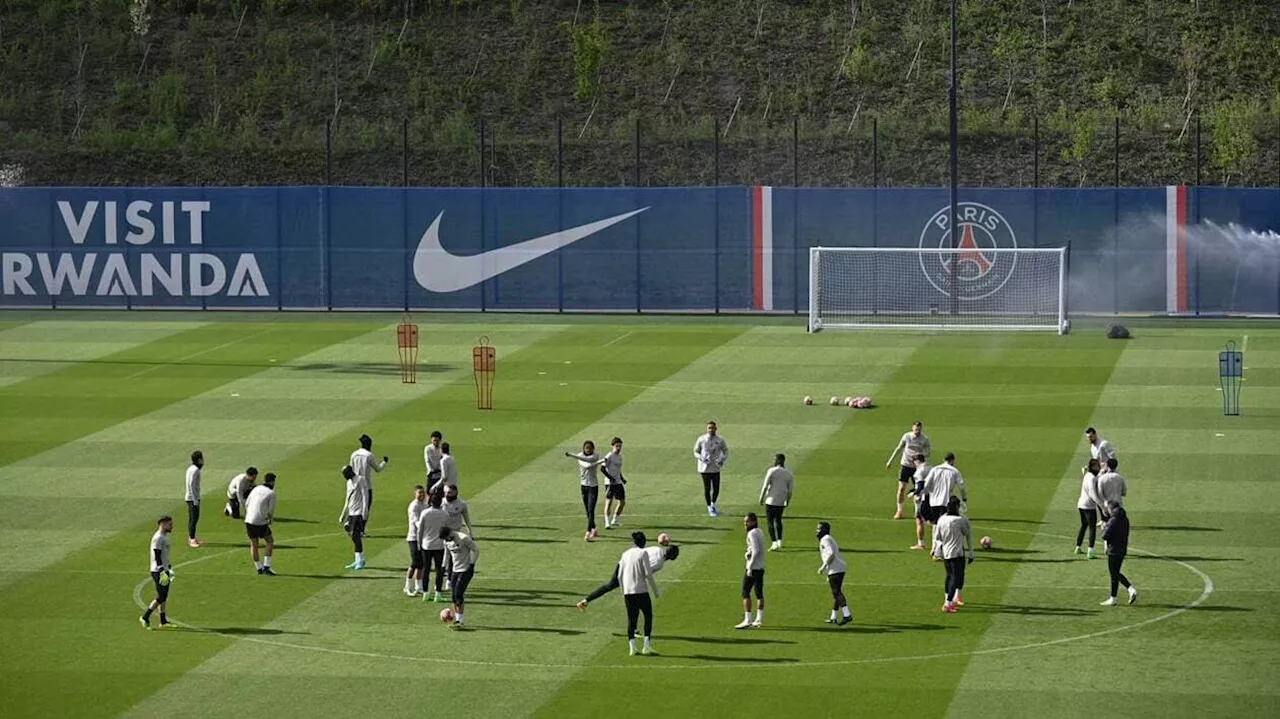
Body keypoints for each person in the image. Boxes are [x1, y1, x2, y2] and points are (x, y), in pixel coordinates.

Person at [576, 541, 679, 610]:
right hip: (631, 571)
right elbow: (645, 572)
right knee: (634, 599)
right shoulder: (659, 563)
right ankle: (633, 629)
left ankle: (585, 601)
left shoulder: (656, 548)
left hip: (624, 562)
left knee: (610, 585)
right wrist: (654, 591)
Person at [617, 531, 660, 656]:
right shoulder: (643, 553)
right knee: (648, 616)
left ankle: (632, 648)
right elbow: (648, 574)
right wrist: (655, 590)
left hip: (628, 592)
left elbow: (620, 576)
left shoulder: (625, 554)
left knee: (632, 620)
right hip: (641, 590)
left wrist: (623, 591)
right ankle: (646, 646)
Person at [932, 496, 974, 613]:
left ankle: (948, 599)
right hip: (957, 553)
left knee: (949, 575)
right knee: (956, 577)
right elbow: (968, 535)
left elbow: (937, 537)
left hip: (946, 553)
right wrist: (971, 552)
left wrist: (937, 551)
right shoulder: (960, 520)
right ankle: (948, 603)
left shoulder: (941, 519)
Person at [920, 452, 967, 552]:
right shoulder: (954, 471)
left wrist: (923, 496)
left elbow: (926, 484)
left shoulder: (935, 469)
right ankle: (940, 549)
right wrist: (964, 498)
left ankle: (934, 549)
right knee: (945, 525)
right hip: (946, 502)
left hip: (934, 502)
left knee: (936, 525)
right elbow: (962, 486)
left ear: (943, 459)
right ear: (952, 460)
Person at [886, 421, 931, 519]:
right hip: (905, 465)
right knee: (901, 488)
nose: (917, 432)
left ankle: (917, 512)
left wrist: (921, 457)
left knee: (917, 490)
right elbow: (899, 448)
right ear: (912, 428)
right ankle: (899, 511)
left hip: (917, 467)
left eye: (918, 430)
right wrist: (890, 461)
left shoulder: (925, 439)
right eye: (915, 430)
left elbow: (928, 452)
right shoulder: (906, 436)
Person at [565, 441, 607, 541]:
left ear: (593, 449)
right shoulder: (580, 456)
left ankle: (588, 532)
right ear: (583, 448)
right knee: (587, 510)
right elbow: (586, 465)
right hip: (584, 486)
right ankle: (594, 528)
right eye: (586, 448)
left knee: (591, 509)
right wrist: (601, 461)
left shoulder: (595, 455)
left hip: (593, 486)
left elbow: (590, 462)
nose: (588, 450)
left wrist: (572, 455)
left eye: (590, 448)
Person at [439, 525, 479, 628]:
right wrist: (443, 566)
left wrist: (472, 564)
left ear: (450, 533)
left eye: (447, 537)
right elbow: (447, 554)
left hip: (465, 570)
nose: (447, 540)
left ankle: (460, 620)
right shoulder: (446, 541)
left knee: (458, 594)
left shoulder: (463, 538)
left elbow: (475, 550)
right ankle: (457, 619)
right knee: (453, 596)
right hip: (455, 570)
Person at [140, 515, 175, 629]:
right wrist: (162, 570)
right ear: (162, 524)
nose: (171, 526)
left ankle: (163, 620)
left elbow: (165, 555)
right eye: (169, 524)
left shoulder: (164, 536)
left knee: (164, 596)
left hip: (164, 569)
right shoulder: (158, 538)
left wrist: (168, 567)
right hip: (158, 571)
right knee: (161, 596)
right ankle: (145, 617)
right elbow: (157, 555)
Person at [344, 434, 388, 527]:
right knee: (365, 507)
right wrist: (384, 462)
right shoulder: (369, 455)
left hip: (354, 484)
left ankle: (350, 521)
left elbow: (350, 468)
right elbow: (378, 469)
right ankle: (361, 529)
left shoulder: (354, 454)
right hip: (366, 485)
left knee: (354, 504)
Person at [1100, 500, 1138, 606]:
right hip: (1122, 548)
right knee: (1116, 572)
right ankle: (1130, 590)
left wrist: (1103, 528)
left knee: (1114, 574)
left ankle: (1114, 597)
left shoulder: (1114, 520)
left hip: (1114, 550)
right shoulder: (1124, 518)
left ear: (1111, 509)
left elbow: (1105, 536)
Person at [815, 521, 851, 625]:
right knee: (836, 592)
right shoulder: (828, 539)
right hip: (837, 568)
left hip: (836, 568)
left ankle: (847, 614)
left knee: (836, 592)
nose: (816, 531)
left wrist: (823, 567)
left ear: (825, 530)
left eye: (819, 529)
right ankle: (833, 617)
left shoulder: (825, 539)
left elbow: (831, 554)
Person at [440, 484, 474, 589]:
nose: (447, 495)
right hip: (442, 533)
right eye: (445, 492)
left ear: (455, 492)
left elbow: (466, 517)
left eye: (449, 493)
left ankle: (449, 579)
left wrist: (470, 530)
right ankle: (440, 579)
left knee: (452, 557)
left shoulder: (461, 504)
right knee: (442, 557)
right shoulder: (442, 502)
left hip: (455, 534)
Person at [417, 491, 449, 602]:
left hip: (426, 545)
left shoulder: (425, 513)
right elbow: (447, 530)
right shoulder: (444, 514)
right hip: (439, 545)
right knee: (439, 570)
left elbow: (420, 530)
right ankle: (438, 593)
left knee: (426, 569)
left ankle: (425, 593)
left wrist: (419, 542)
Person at [693, 421, 729, 517]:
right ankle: (709, 506)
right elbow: (696, 451)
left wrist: (722, 459)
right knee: (707, 488)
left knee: (716, 488)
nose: (711, 430)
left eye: (712, 428)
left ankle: (713, 503)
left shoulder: (720, 440)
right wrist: (701, 458)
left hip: (715, 467)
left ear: (716, 429)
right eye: (709, 428)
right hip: (704, 468)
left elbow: (726, 451)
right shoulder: (702, 439)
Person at [736, 513, 765, 629]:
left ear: (753, 522)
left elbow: (756, 550)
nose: (745, 524)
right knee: (759, 593)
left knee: (745, 592)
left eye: (747, 522)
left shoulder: (751, 533)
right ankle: (758, 619)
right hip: (761, 566)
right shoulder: (759, 531)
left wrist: (750, 566)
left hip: (753, 568)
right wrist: (748, 552)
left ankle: (747, 619)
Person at [758, 453, 793, 550]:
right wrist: (787, 501)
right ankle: (780, 541)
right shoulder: (788, 473)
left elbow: (765, 486)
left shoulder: (772, 471)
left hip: (770, 500)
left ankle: (774, 542)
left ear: (777, 460)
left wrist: (761, 498)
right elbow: (790, 490)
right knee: (778, 520)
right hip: (781, 501)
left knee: (770, 522)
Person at [245, 472, 277, 575]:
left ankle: (258, 567)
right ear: (272, 482)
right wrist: (269, 520)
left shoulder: (256, 488)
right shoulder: (271, 493)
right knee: (270, 541)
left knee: (254, 544)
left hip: (249, 520)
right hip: (260, 521)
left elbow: (247, 503)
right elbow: (270, 511)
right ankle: (267, 566)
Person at [342, 464, 369, 570]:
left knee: (355, 535)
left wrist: (364, 511)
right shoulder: (349, 483)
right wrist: (343, 513)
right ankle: (358, 559)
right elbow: (347, 498)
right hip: (351, 512)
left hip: (358, 512)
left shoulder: (360, 480)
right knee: (349, 531)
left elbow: (365, 495)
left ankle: (360, 560)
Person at [1076, 458, 1103, 558]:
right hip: (1088, 506)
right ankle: (1090, 551)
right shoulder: (1091, 478)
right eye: (1097, 466)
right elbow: (1093, 494)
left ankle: (1078, 546)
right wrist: (1101, 505)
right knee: (1092, 528)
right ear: (1093, 467)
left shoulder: (1088, 475)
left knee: (1083, 526)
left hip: (1081, 504)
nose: (1099, 468)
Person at [404, 485, 428, 596]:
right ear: (415, 493)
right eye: (420, 493)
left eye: (423, 493)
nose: (422, 495)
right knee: (415, 563)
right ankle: (407, 585)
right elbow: (416, 521)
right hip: (413, 537)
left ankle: (419, 586)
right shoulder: (413, 506)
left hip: (423, 538)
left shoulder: (425, 506)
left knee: (421, 564)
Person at [601, 437, 627, 529]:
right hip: (610, 483)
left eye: (620, 446)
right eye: (617, 446)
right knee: (609, 502)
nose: (619, 448)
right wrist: (610, 478)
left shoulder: (619, 457)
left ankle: (615, 519)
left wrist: (622, 478)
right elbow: (602, 468)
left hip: (618, 482)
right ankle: (607, 522)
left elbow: (618, 470)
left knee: (622, 502)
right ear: (613, 446)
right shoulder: (609, 456)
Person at [906, 454, 931, 550]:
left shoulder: (919, 472)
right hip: (932, 497)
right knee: (934, 521)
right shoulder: (931, 468)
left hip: (922, 499)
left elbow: (920, 486)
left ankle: (921, 543)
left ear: (917, 461)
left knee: (919, 520)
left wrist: (913, 493)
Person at [184, 450, 204, 548]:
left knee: (194, 518)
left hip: (191, 497)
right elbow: (192, 484)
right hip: (192, 498)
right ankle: (191, 539)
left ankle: (193, 537)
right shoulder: (195, 470)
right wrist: (195, 499)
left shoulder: (191, 468)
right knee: (193, 519)